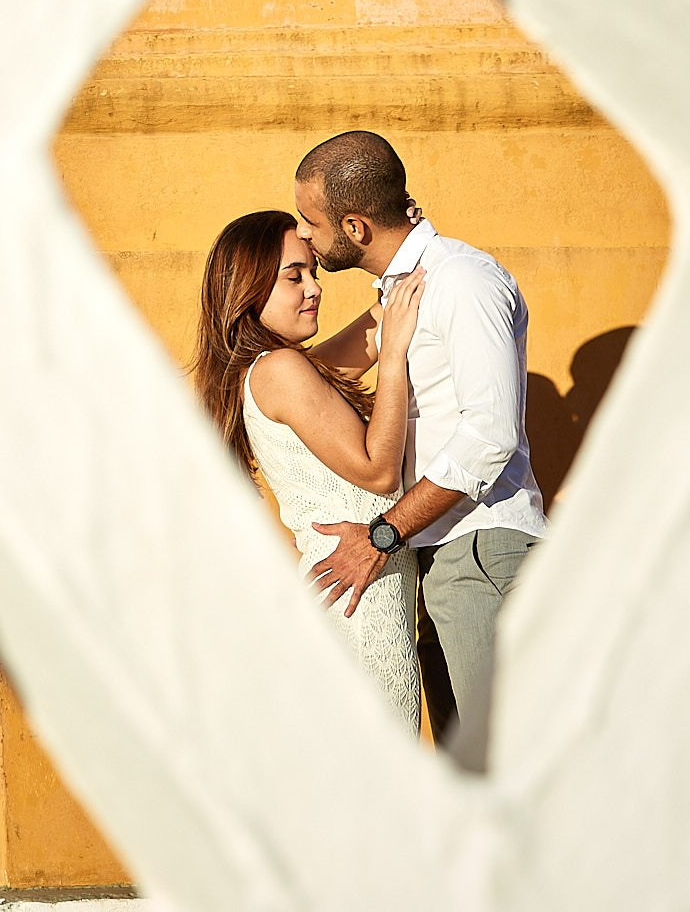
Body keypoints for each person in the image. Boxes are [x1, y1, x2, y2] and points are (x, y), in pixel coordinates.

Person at [295, 130, 547, 747]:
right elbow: (313, 375)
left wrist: (383, 535)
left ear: (354, 227)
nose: (306, 236)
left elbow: (489, 437)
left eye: (311, 222)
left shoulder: (460, 280)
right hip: (436, 555)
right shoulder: (399, 295)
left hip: (478, 550)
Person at [191, 208, 428, 729]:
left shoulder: (278, 370)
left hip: (356, 595)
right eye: (292, 276)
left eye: (313, 273)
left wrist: (403, 236)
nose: (313, 288)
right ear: (248, 289)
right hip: (360, 604)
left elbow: (377, 323)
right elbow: (378, 471)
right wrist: (394, 361)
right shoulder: (281, 371)